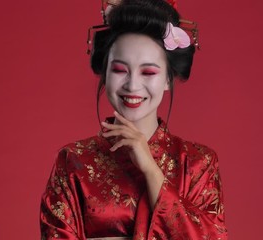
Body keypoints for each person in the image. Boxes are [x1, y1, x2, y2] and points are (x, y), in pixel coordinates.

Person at [40, 0, 228, 239]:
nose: (132, 85)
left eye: (148, 72)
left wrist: (150, 169)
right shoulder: (72, 161)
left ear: (168, 80)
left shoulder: (198, 164)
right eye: (119, 70)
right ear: (105, 73)